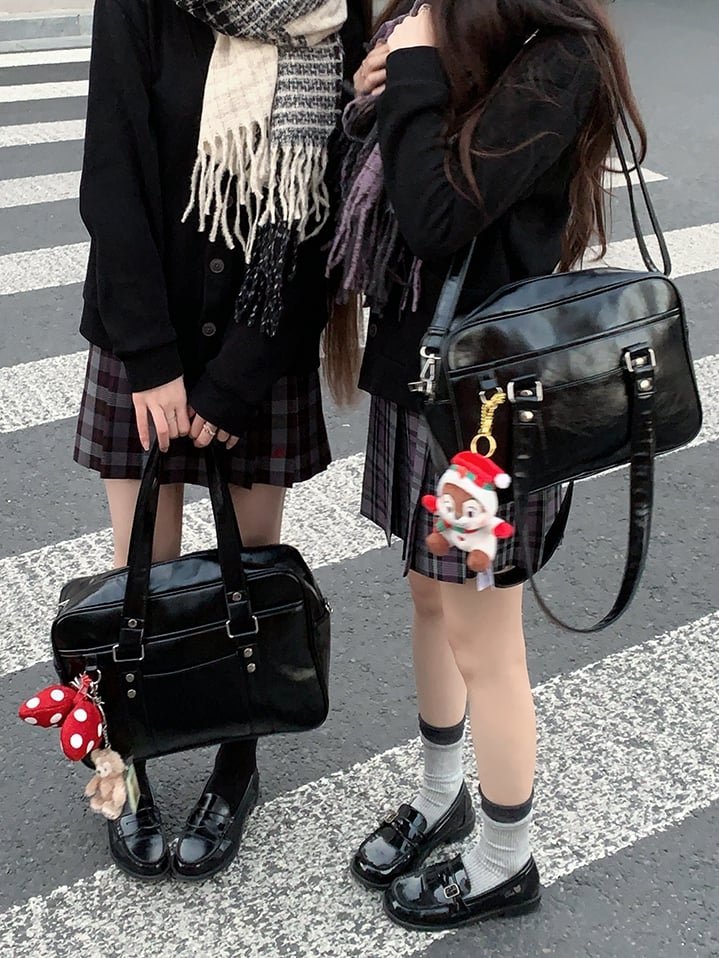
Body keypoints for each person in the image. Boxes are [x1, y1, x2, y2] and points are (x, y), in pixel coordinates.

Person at [328, 0, 647, 931]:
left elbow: (438, 216)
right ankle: (441, 797)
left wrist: (412, 70)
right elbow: (380, 186)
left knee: (485, 638)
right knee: (429, 599)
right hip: (418, 369)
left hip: (492, 404)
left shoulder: (560, 53)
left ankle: (507, 858)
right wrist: (368, 96)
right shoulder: (429, 22)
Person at [74, 0, 364, 880]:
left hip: (260, 342)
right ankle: (130, 756)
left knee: (250, 571)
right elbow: (111, 172)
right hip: (146, 336)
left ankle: (239, 756)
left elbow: (323, 209)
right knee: (142, 569)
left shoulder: (332, 14)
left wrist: (239, 375)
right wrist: (153, 361)